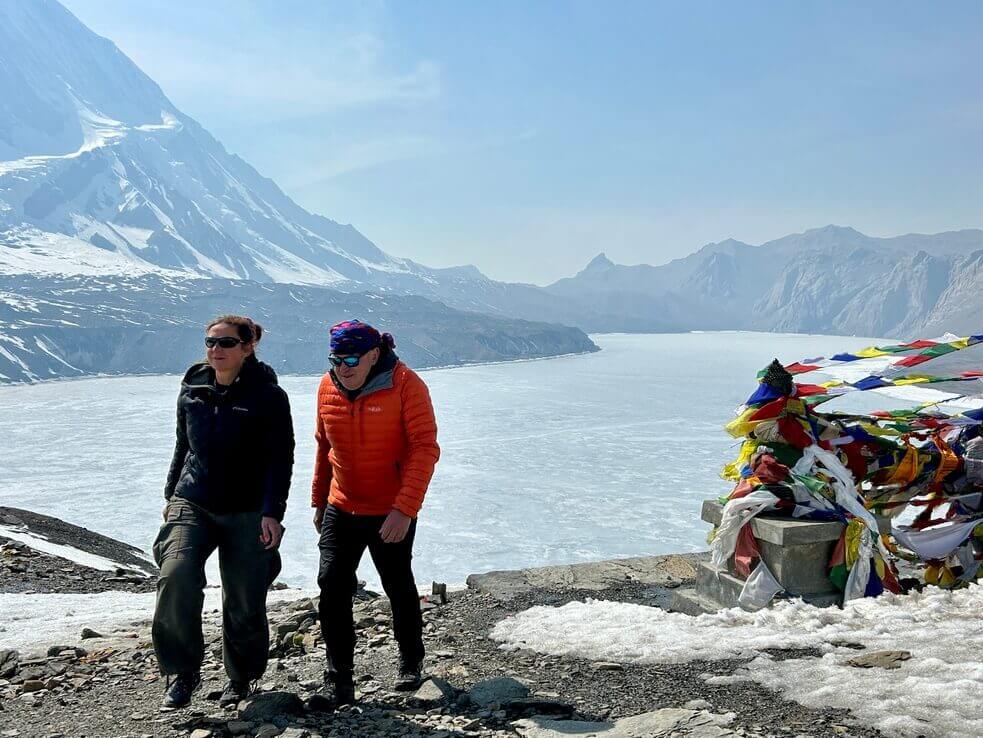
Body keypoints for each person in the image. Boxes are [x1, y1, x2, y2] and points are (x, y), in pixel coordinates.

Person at [152, 315, 294, 709]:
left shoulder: (267, 396)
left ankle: (242, 677)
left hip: (248, 508)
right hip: (193, 500)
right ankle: (182, 672)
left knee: (244, 596)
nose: (216, 350)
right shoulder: (193, 387)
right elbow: (183, 447)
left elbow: (280, 459)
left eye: (226, 343)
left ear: (247, 348)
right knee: (175, 575)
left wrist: (272, 513)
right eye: (210, 342)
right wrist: (171, 497)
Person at [310, 319, 440, 708]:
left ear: (373, 355)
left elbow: (424, 449)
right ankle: (339, 680)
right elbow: (323, 446)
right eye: (335, 359)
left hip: (389, 510)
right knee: (331, 584)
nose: (342, 367)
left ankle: (411, 659)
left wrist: (404, 509)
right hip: (342, 504)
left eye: (351, 358)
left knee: (397, 584)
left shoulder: (406, 385)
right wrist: (319, 499)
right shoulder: (326, 385)